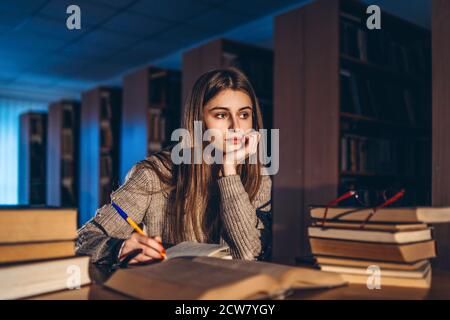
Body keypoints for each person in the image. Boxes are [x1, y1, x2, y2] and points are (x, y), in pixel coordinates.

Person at [75, 67, 272, 265]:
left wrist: (229, 172)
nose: (236, 127)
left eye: (244, 115)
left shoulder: (259, 178)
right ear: (198, 120)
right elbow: (83, 240)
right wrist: (119, 249)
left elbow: (247, 256)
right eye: (221, 115)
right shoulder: (154, 175)